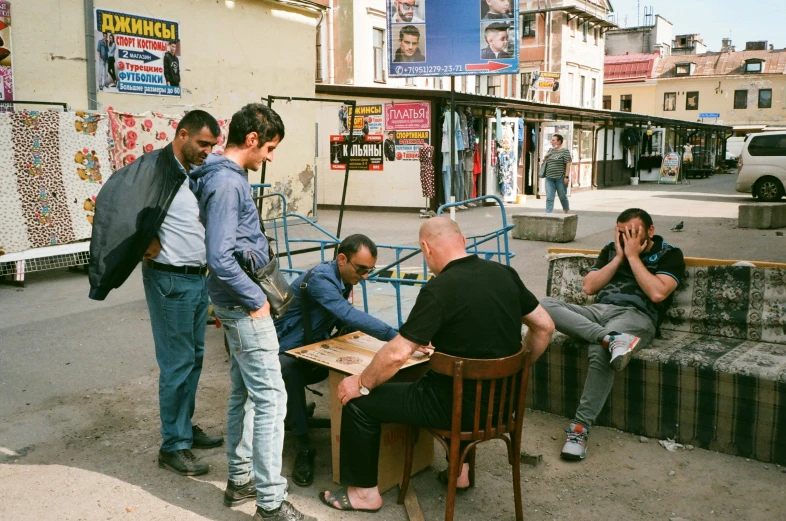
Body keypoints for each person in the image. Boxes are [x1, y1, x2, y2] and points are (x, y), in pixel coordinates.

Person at [320, 217, 555, 512]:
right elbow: (544, 326)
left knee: (358, 402)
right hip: (501, 407)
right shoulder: (504, 273)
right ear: (463, 241)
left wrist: (361, 382)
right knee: (458, 382)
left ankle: (364, 494)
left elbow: (396, 354)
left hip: (451, 410)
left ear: (426, 248)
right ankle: (460, 474)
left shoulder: (439, 289)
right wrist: (519, 367)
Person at [189, 104, 315, 521]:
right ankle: (270, 502)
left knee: (245, 391)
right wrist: (256, 299)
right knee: (271, 399)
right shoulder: (227, 183)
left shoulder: (224, 177)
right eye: (270, 148)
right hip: (244, 304)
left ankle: (241, 479)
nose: (270, 157)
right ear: (251, 140)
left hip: (234, 301)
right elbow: (220, 256)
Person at [88, 110, 223, 476]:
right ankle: (173, 446)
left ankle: (184, 428)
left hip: (196, 279)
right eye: (202, 143)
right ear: (182, 135)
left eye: (211, 145)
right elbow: (115, 200)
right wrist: (144, 240)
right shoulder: (154, 169)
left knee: (193, 359)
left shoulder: (189, 173)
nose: (206, 151)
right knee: (177, 364)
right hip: (170, 281)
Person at [540, 208, 685, 462]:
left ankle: (579, 430)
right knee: (543, 305)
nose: (626, 238)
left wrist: (633, 257)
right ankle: (609, 338)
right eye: (621, 233)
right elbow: (589, 287)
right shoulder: (611, 249)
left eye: (633, 233)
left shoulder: (670, 254)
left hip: (636, 316)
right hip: (598, 311)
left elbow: (657, 294)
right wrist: (618, 257)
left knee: (599, 350)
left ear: (650, 231)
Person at [275, 234, 398, 488]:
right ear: (342, 259)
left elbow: (339, 318)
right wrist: (394, 336)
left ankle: (356, 431)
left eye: (369, 270)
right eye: (361, 269)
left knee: (360, 356)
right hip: (287, 350)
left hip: (313, 345)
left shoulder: (344, 279)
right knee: (288, 369)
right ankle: (304, 445)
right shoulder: (322, 279)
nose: (365, 276)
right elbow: (346, 313)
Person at [542, 133, 571, 214]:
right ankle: (548, 214)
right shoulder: (550, 150)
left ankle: (566, 211)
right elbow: (544, 162)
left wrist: (566, 177)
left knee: (562, 196)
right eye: (552, 140)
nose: (552, 142)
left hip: (560, 178)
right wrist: (546, 156)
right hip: (549, 177)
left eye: (553, 140)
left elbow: (568, 163)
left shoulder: (565, 151)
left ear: (559, 141)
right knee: (549, 197)